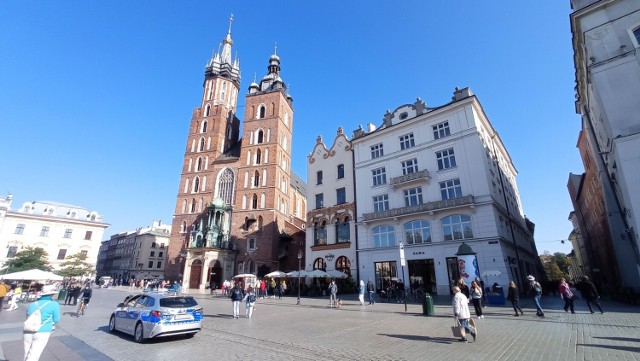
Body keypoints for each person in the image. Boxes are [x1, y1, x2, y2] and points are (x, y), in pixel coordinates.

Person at [23, 290, 61, 361]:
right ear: (51, 295)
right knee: (34, 355)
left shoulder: (32, 304)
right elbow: (56, 319)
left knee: (27, 353)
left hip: (28, 329)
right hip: (43, 331)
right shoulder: (54, 304)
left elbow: (27, 316)